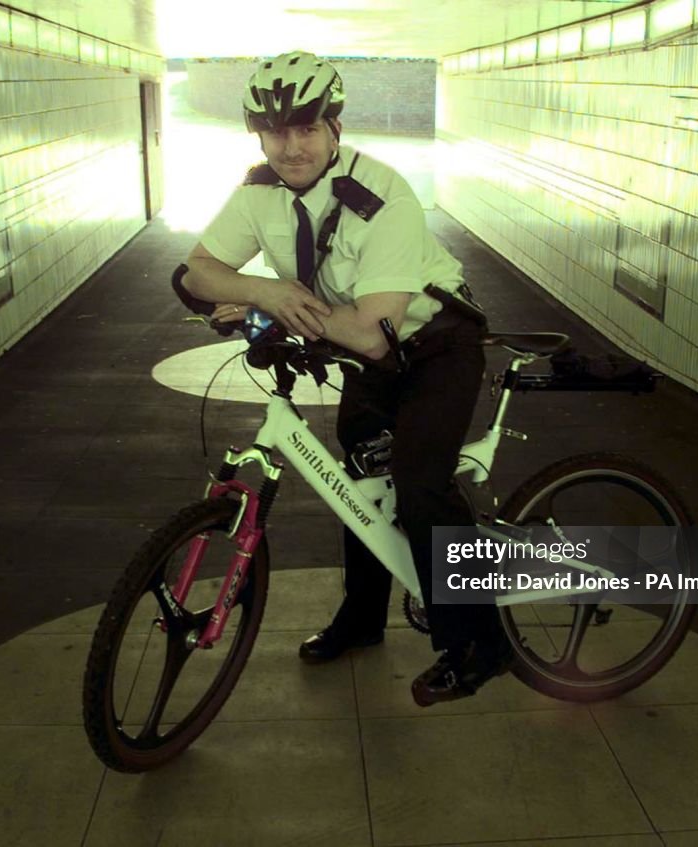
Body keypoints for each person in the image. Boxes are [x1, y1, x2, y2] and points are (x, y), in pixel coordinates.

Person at [179, 51, 511, 706]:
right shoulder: (259, 192)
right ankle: (363, 618)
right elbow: (196, 272)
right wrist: (262, 290)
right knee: (359, 484)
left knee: (418, 479)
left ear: (334, 127)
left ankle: (480, 640)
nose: (290, 145)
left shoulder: (383, 196)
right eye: (274, 131)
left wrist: (273, 305)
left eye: (306, 127)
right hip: (362, 348)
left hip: (433, 345)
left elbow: (370, 332)